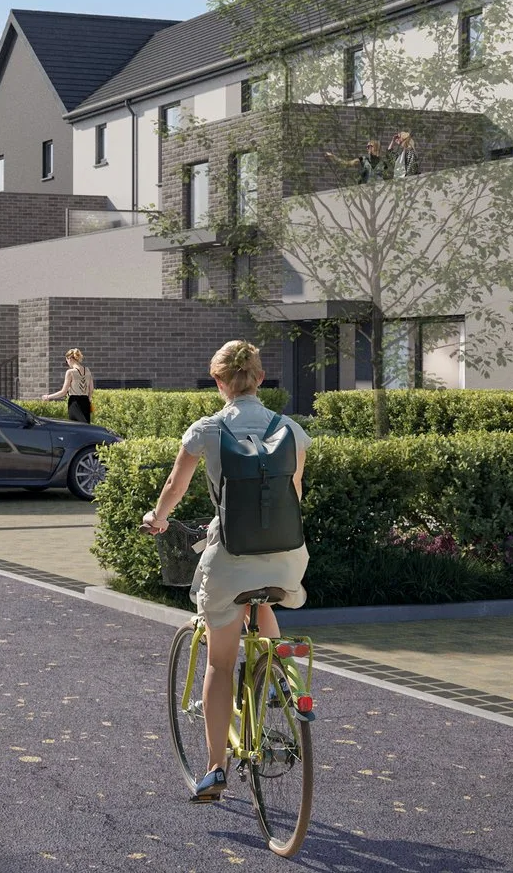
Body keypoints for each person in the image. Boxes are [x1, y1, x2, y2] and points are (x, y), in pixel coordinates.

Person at [139, 339, 309, 803]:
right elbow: (292, 494)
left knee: (219, 662)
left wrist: (158, 518)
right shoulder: (291, 430)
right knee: (265, 599)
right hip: (286, 554)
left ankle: (215, 769)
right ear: (260, 377)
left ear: (218, 381)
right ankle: (283, 679)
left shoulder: (207, 430)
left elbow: (176, 485)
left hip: (231, 556)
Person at [40, 348, 96, 425]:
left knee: (75, 427)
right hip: (85, 402)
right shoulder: (87, 370)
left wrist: (48, 397)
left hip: (74, 402)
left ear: (69, 358)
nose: (67, 363)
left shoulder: (70, 372)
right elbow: (91, 389)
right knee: (86, 427)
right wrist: (89, 399)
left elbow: (63, 392)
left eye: (66, 361)